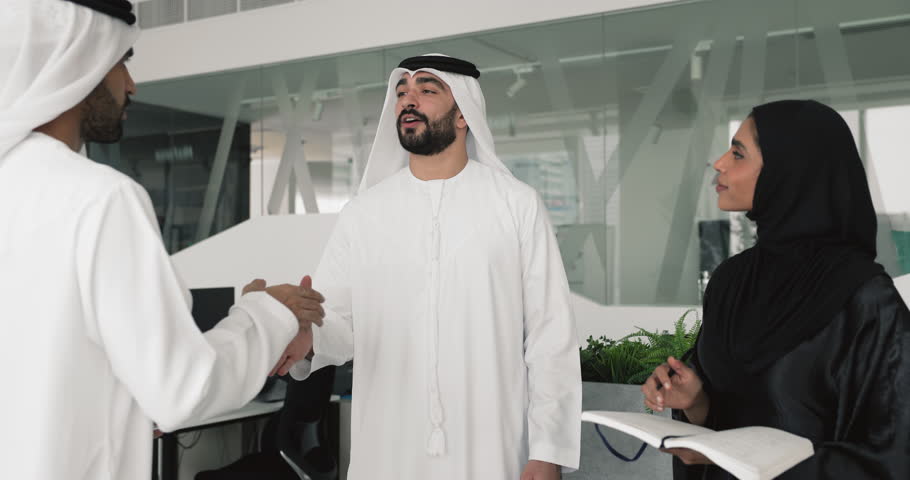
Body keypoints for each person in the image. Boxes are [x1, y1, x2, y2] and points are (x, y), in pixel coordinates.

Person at [0, 1, 324, 479]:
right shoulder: (102, 198)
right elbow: (183, 390)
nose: (130, 85)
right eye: (121, 60)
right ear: (78, 60)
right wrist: (265, 313)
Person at [280, 54, 581, 479]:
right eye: (402, 92)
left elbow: (551, 336)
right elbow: (340, 323)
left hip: (490, 446)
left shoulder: (516, 204)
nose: (408, 100)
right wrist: (306, 335)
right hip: (388, 447)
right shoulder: (364, 214)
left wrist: (548, 450)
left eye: (426, 90)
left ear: (464, 115)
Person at [641, 100, 910, 479]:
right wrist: (694, 401)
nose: (719, 163)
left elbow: (895, 456)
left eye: (737, 153)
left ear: (791, 171)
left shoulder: (864, 300)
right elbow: (726, 414)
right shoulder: (731, 282)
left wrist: (759, 461)